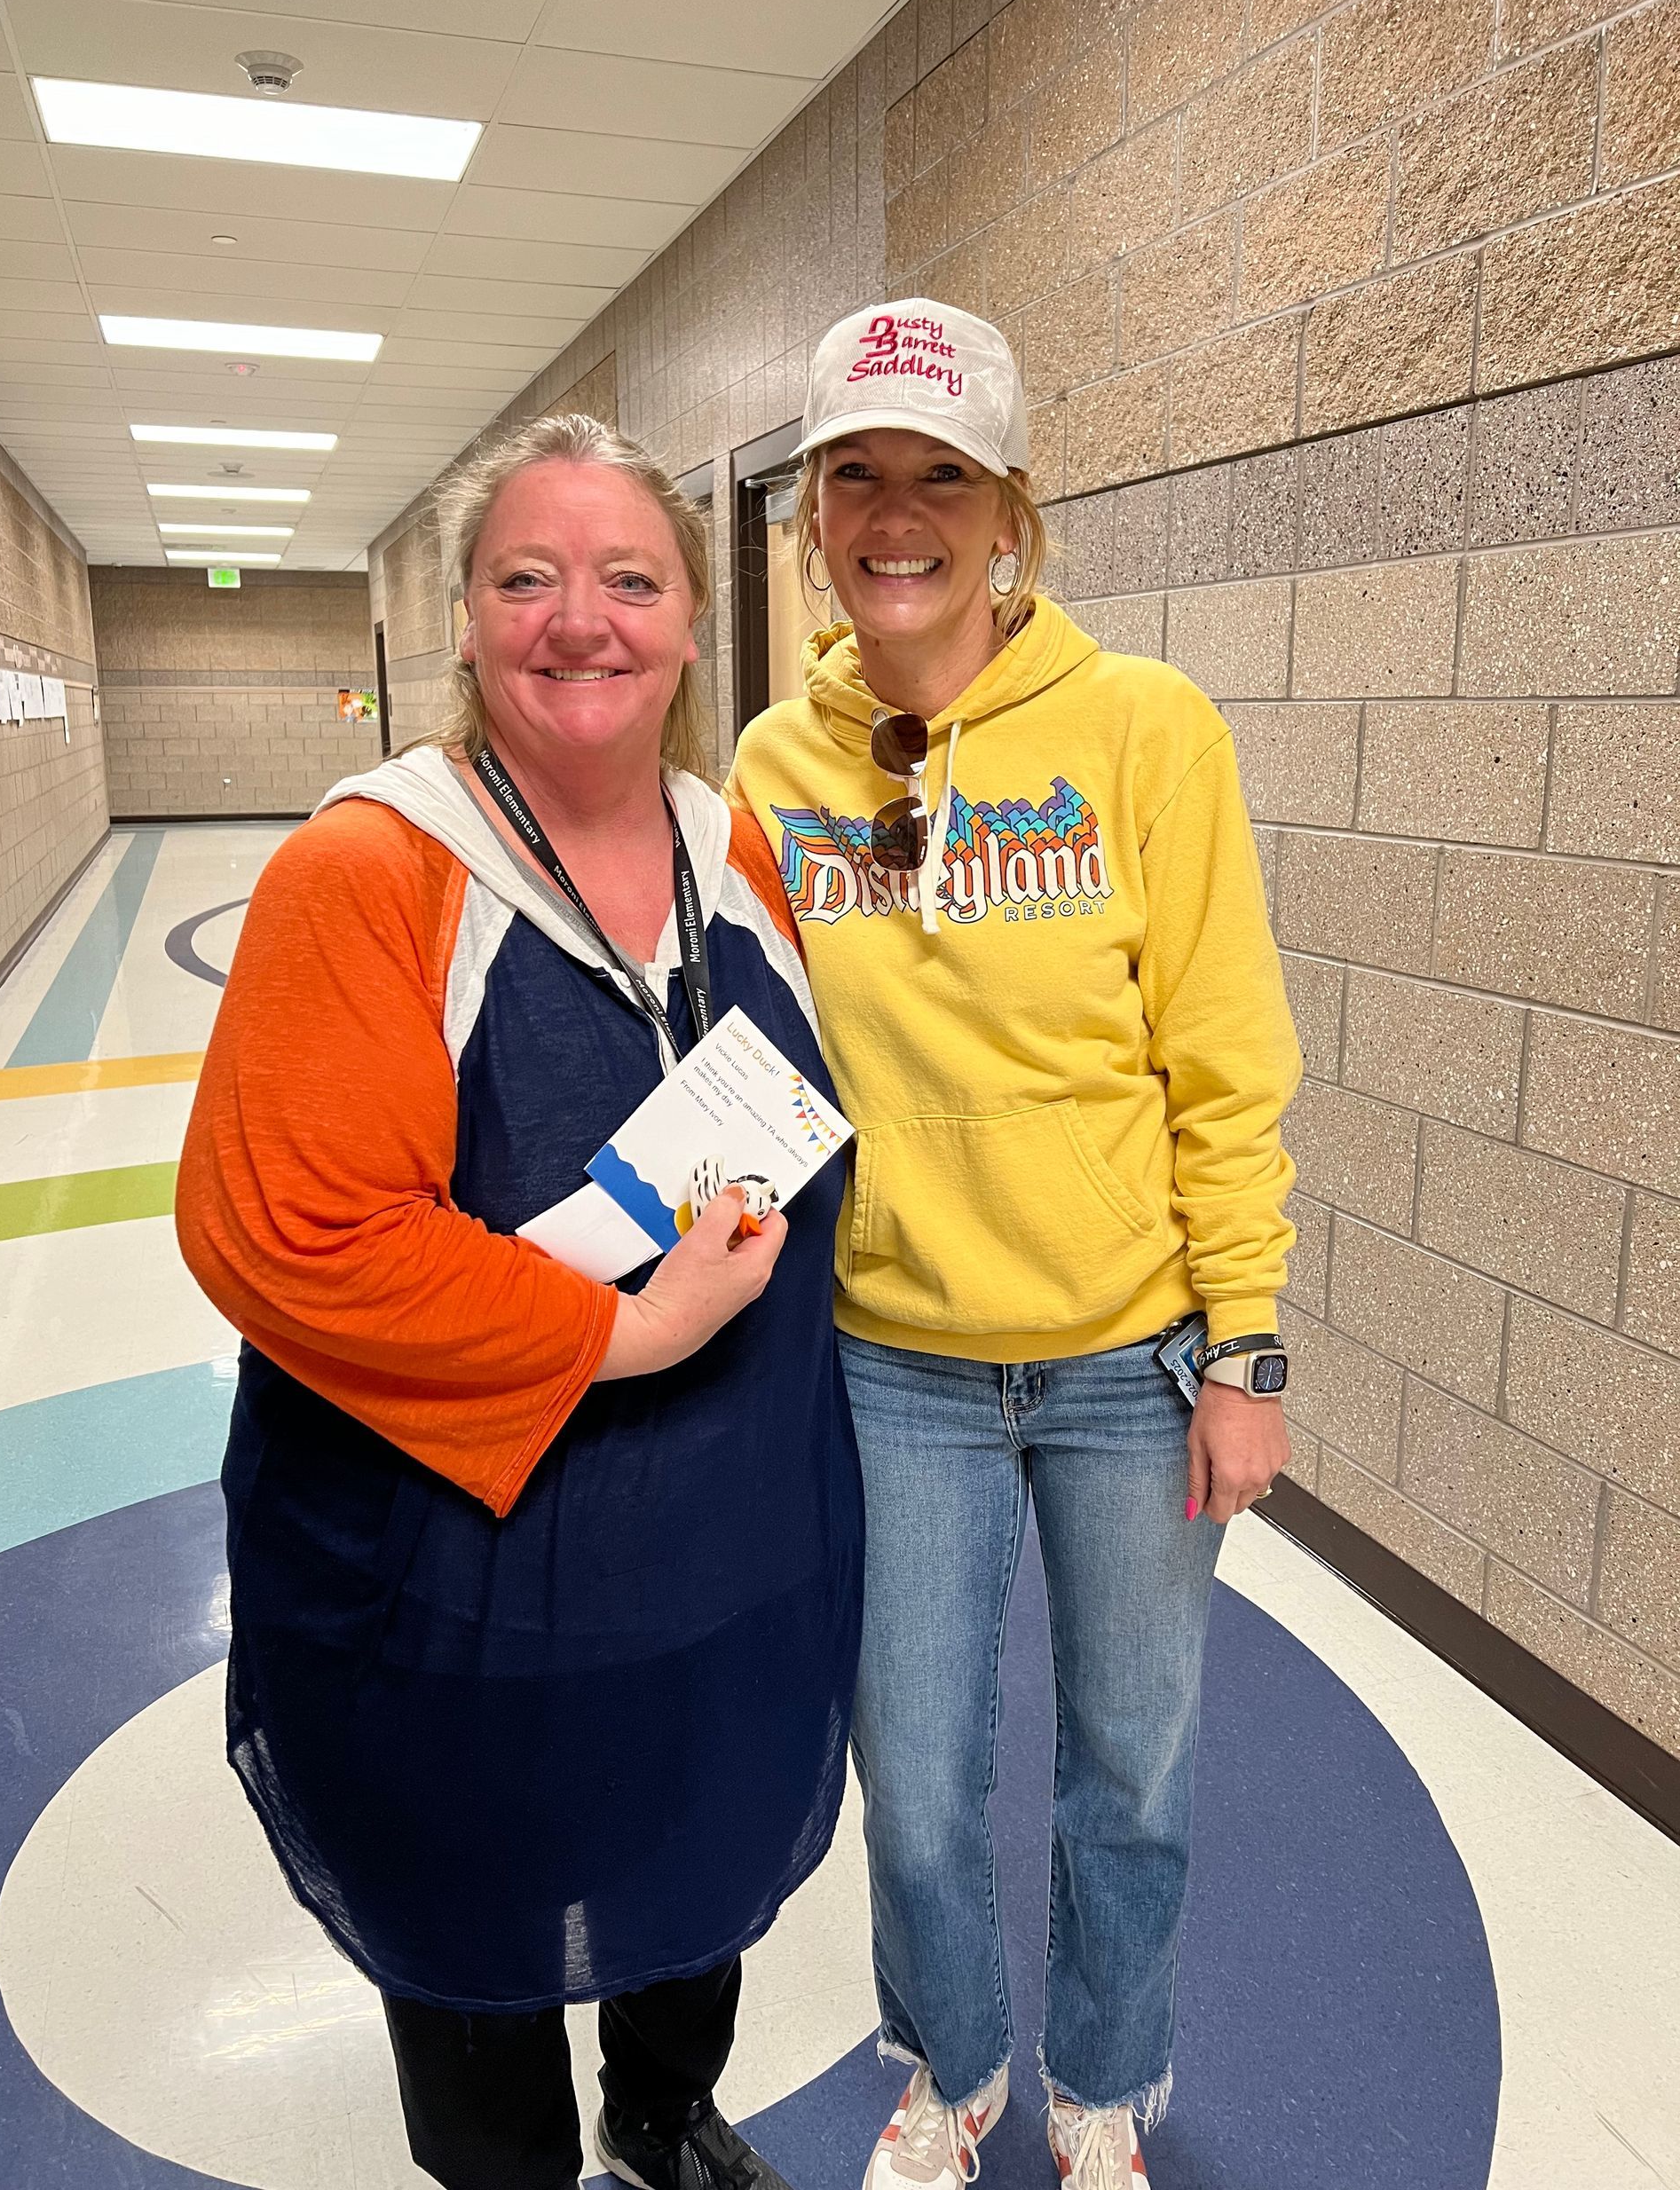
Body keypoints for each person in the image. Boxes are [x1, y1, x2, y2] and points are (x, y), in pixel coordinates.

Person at [176, 412, 863, 2190]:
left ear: (695, 621)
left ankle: (660, 2110)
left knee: (690, 1851)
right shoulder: (372, 872)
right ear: (467, 617)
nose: (581, 618)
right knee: (475, 1916)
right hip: (458, 1564)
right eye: (528, 577)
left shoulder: (744, 857)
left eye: (630, 577)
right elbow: (288, 1233)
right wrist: (626, 1331)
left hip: (722, 1530)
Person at [729, 301, 1301, 2190]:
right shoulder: (774, 768)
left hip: (1130, 1359)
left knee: (1129, 1772)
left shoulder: (1146, 731)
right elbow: (744, 1055)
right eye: (857, 474)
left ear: (1010, 512)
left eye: (941, 475)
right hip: (888, 1359)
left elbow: (1224, 1058)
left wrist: (1247, 1347)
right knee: (913, 1782)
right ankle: (951, 2066)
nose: (899, 513)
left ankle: (1103, 2082)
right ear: (815, 512)